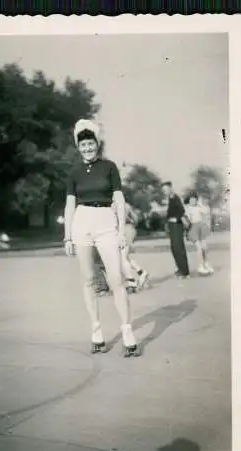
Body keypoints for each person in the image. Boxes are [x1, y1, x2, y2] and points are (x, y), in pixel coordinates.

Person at [63, 118, 140, 357]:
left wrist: (120, 231)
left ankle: (127, 331)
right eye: (83, 144)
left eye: (91, 143)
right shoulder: (74, 173)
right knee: (88, 279)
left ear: (98, 144)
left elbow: (118, 199)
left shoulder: (109, 167)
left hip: (106, 221)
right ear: (78, 147)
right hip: (82, 222)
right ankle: (96, 331)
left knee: (116, 278)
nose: (87, 148)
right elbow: (69, 205)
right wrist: (67, 236)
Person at [118, 202, 150, 293]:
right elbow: (135, 218)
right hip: (129, 228)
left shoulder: (116, 204)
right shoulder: (126, 204)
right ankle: (141, 272)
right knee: (125, 257)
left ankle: (131, 281)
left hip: (124, 230)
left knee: (122, 257)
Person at [161, 181, 190, 279]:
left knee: (178, 248)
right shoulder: (170, 198)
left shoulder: (175, 197)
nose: (164, 191)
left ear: (170, 188)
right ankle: (180, 269)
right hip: (172, 226)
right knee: (174, 248)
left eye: (165, 189)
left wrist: (175, 219)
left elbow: (182, 210)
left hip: (177, 225)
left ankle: (185, 272)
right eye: (163, 190)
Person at [184, 192, 214, 275]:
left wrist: (202, 204)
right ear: (189, 200)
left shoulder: (199, 207)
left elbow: (207, 212)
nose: (193, 201)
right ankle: (200, 266)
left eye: (194, 199)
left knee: (205, 247)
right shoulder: (187, 208)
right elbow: (187, 219)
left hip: (201, 227)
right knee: (199, 248)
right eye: (191, 199)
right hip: (193, 228)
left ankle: (206, 264)